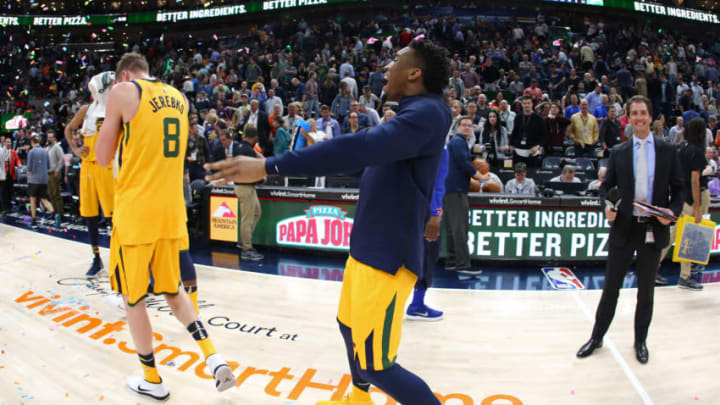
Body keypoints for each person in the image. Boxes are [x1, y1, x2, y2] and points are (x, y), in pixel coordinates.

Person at [206, 39, 450, 405]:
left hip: (388, 257)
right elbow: (365, 160)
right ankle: (358, 399)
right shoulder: (411, 116)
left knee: (378, 365)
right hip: (367, 250)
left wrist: (270, 165)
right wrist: (323, 148)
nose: (386, 69)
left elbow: (362, 147)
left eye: (396, 62)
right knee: (348, 327)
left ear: (415, 73)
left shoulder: (429, 112)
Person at [95, 52, 236, 399]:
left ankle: (152, 379)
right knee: (174, 292)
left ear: (124, 75)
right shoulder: (179, 98)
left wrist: (104, 111)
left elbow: (101, 157)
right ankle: (213, 358)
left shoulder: (123, 91)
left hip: (136, 212)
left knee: (133, 298)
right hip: (172, 212)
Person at [577, 96, 684, 365]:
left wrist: (671, 212)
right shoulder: (619, 152)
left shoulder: (667, 150)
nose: (639, 118)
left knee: (646, 291)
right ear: (628, 117)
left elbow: (680, 188)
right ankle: (597, 337)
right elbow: (605, 188)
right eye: (634, 113)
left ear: (651, 117)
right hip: (624, 229)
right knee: (610, 288)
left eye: (643, 113)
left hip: (652, 229)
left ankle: (640, 341)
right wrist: (606, 207)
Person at [64, 71, 117, 278]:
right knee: (90, 214)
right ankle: (96, 258)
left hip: (108, 165)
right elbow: (69, 130)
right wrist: (76, 150)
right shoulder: (86, 110)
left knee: (114, 216)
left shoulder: (115, 109)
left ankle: (120, 258)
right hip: (88, 166)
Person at [658, 117, 708, 290]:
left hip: (683, 195)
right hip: (693, 198)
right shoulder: (697, 151)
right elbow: (695, 180)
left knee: (673, 234)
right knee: (689, 237)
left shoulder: (684, 149)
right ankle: (685, 277)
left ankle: (653, 266)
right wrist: (697, 206)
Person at [406, 147, 448, 321]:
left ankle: (410, 304)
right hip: (425, 213)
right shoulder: (439, 149)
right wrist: (436, 213)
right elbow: (438, 184)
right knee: (426, 257)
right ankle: (416, 305)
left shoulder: (408, 142)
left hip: (405, 208)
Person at [446, 116, 486, 275]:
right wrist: (480, 176)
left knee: (451, 227)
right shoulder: (458, 142)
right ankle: (462, 264)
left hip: (450, 189)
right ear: (457, 127)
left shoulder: (457, 142)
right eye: (464, 125)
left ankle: (452, 261)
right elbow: (463, 162)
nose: (467, 128)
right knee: (459, 228)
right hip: (456, 190)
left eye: (470, 125)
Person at [26, 135, 55, 227]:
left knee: (33, 199)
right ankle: (54, 212)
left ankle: (33, 219)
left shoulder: (31, 152)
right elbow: (49, 166)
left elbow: (29, 168)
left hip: (34, 179)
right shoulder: (45, 151)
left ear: (32, 142)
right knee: (44, 198)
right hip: (44, 179)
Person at [510, 95, 546, 167]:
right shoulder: (518, 117)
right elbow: (514, 132)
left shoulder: (539, 119)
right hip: (519, 150)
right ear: (522, 104)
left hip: (533, 151)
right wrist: (511, 145)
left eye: (528, 103)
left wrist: (538, 146)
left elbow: (544, 136)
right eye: (525, 103)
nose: (527, 105)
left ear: (532, 104)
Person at [46, 129, 65, 227]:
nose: (49, 138)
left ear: (54, 138)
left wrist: (58, 169)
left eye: (50, 137)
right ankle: (54, 211)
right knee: (50, 193)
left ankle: (59, 212)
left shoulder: (57, 147)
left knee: (56, 193)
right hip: (48, 173)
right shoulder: (47, 148)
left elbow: (62, 159)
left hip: (55, 173)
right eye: (48, 137)